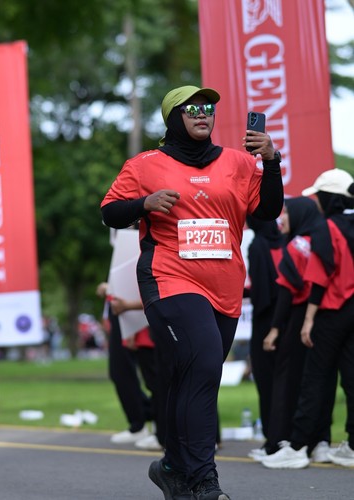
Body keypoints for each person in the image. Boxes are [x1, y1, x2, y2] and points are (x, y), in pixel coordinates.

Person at [101, 85, 283, 500]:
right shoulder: (145, 165)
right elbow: (110, 210)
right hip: (170, 278)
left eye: (208, 108)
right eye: (192, 108)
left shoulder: (239, 162)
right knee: (202, 365)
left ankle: (172, 468)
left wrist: (271, 162)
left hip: (224, 286)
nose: (203, 114)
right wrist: (144, 204)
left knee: (191, 376)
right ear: (173, 117)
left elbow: (268, 211)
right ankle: (204, 481)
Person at [261, 168, 354, 469]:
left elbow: (321, 274)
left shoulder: (326, 227)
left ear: (330, 198)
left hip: (330, 311)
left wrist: (309, 319)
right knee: (350, 379)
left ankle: (299, 446)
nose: (316, 201)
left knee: (314, 379)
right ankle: (350, 446)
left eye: (319, 195)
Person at [96, 282, 156, 446]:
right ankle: (147, 418)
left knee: (149, 375)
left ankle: (147, 423)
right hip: (124, 312)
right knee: (122, 372)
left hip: (131, 313)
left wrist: (111, 289)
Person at [245, 216, 283, 459]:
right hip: (285, 319)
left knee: (266, 381)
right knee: (285, 382)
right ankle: (285, 437)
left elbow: (261, 289)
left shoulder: (257, 244)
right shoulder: (284, 242)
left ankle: (272, 441)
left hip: (265, 322)